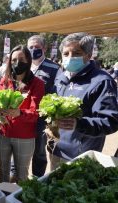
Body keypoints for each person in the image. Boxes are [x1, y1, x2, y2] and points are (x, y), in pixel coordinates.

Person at [48, 32, 118, 170]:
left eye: (76, 53)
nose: (70, 57)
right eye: (66, 53)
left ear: (88, 54)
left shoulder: (102, 81)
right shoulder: (61, 77)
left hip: (81, 157)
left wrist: (79, 124)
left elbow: (111, 121)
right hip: (56, 151)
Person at [0, 45, 44, 183]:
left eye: (21, 59)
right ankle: (4, 197)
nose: (17, 62)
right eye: (14, 59)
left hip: (24, 137)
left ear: (28, 60)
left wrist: (19, 113)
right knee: (3, 172)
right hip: (4, 134)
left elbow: (36, 113)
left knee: (22, 175)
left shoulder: (37, 84)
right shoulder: (5, 81)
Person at [27, 35, 62, 177]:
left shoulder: (55, 68)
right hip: (22, 115)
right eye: (30, 47)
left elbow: (58, 93)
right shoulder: (23, 64)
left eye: (37, 47)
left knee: (39, 152)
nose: (33, 50)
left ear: (44, 48)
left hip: (42, 119)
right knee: (19, 148)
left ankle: (37, 179)